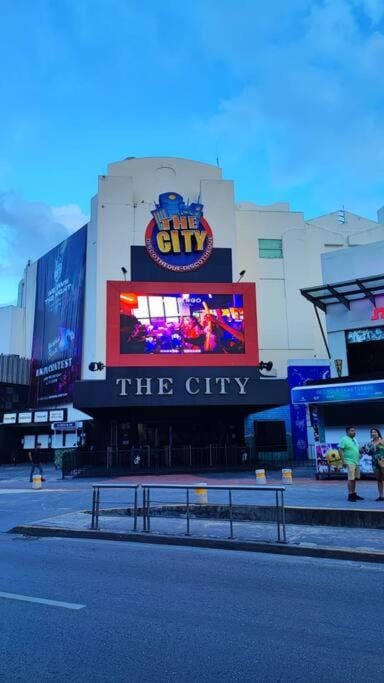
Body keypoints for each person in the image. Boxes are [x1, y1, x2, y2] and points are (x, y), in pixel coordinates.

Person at [338, 426, 364, 502]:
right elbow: (340, 450)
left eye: (354, 430)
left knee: (354, 478)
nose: (354, 432)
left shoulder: (355, 440)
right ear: (347, 432)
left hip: (356, 462)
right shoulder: (344, 439)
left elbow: (357, 450)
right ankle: (350, 495)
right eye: (352, 430)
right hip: (349, 462)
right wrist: (343, 461)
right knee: (350, 478)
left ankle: (353, 494)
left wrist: (361, 451)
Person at [365, 428, 384, 502]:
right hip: (374, 463)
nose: (373, 433)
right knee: (379, 479)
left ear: (378, 433)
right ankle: (381, 496)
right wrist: (369, 450)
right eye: (372, 432)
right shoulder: (370, 443)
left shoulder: (382, 441)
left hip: (383, 462)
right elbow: (369, 453)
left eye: (375, 432)